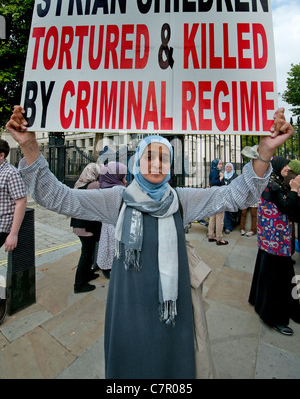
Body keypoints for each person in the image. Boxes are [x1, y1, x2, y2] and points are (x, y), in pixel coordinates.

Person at [6, 105, 294, 378]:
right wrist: (30, 146)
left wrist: (265, 151)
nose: (156, 164)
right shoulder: (116, 199)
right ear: (137, 161)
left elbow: (235, 195)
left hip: (172, 308)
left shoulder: (182, 199)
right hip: (127, 309)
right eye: (149, 157)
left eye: (164, 158)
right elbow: (59, 197)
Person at [249, 156, 300, 336]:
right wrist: (294, 190)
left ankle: (287, 307)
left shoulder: (276, 182)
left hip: (272, 240)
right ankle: (274, 317)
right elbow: (286, 206)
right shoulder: (272, 185)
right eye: (285, 165)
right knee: (276, 280)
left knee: (276, 275)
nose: (287, 168)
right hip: (275, 241)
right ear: (277, 167)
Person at [0, 138, 27, 324]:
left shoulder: (10, 173)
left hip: (2, 226)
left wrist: (13, 233)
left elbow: (21, 201)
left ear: (1, 155)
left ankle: (1, 302)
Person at [70, 163, 102, 293]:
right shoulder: (93, 185)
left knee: (86, 252)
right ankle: (79, 284)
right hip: (87, 226)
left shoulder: (79, 185)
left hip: (78, 224)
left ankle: (88, 274)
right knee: (86, 254)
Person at [96, 162, 127, 279]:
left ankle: (106, 267)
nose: (125, 178)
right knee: (115, 249)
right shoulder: (119, 190)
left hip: (106, 224)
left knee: (107, 247)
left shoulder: (103, 187)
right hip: (117, 225)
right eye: (123, 176)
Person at [207, 158, 228, 245]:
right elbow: (214, 183)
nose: (221, 165)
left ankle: (211, 235)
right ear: (215, 164)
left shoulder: (213, 171)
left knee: (213, 216)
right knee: (219, 217)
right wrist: (221, 177)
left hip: (213, 195)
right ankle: (219, 238)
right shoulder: (215, 172)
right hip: (218, 195)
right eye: (219, 164)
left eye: (221, 164)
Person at [223, 162, 239, 234]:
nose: (228, 168)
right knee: (225, 212)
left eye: (230, 167)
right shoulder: (223, 175)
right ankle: (226, 226)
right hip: (224, 196)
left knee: (231, 212)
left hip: (232, 196)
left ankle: (230, 227)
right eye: (227, 167)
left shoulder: (235, 176)